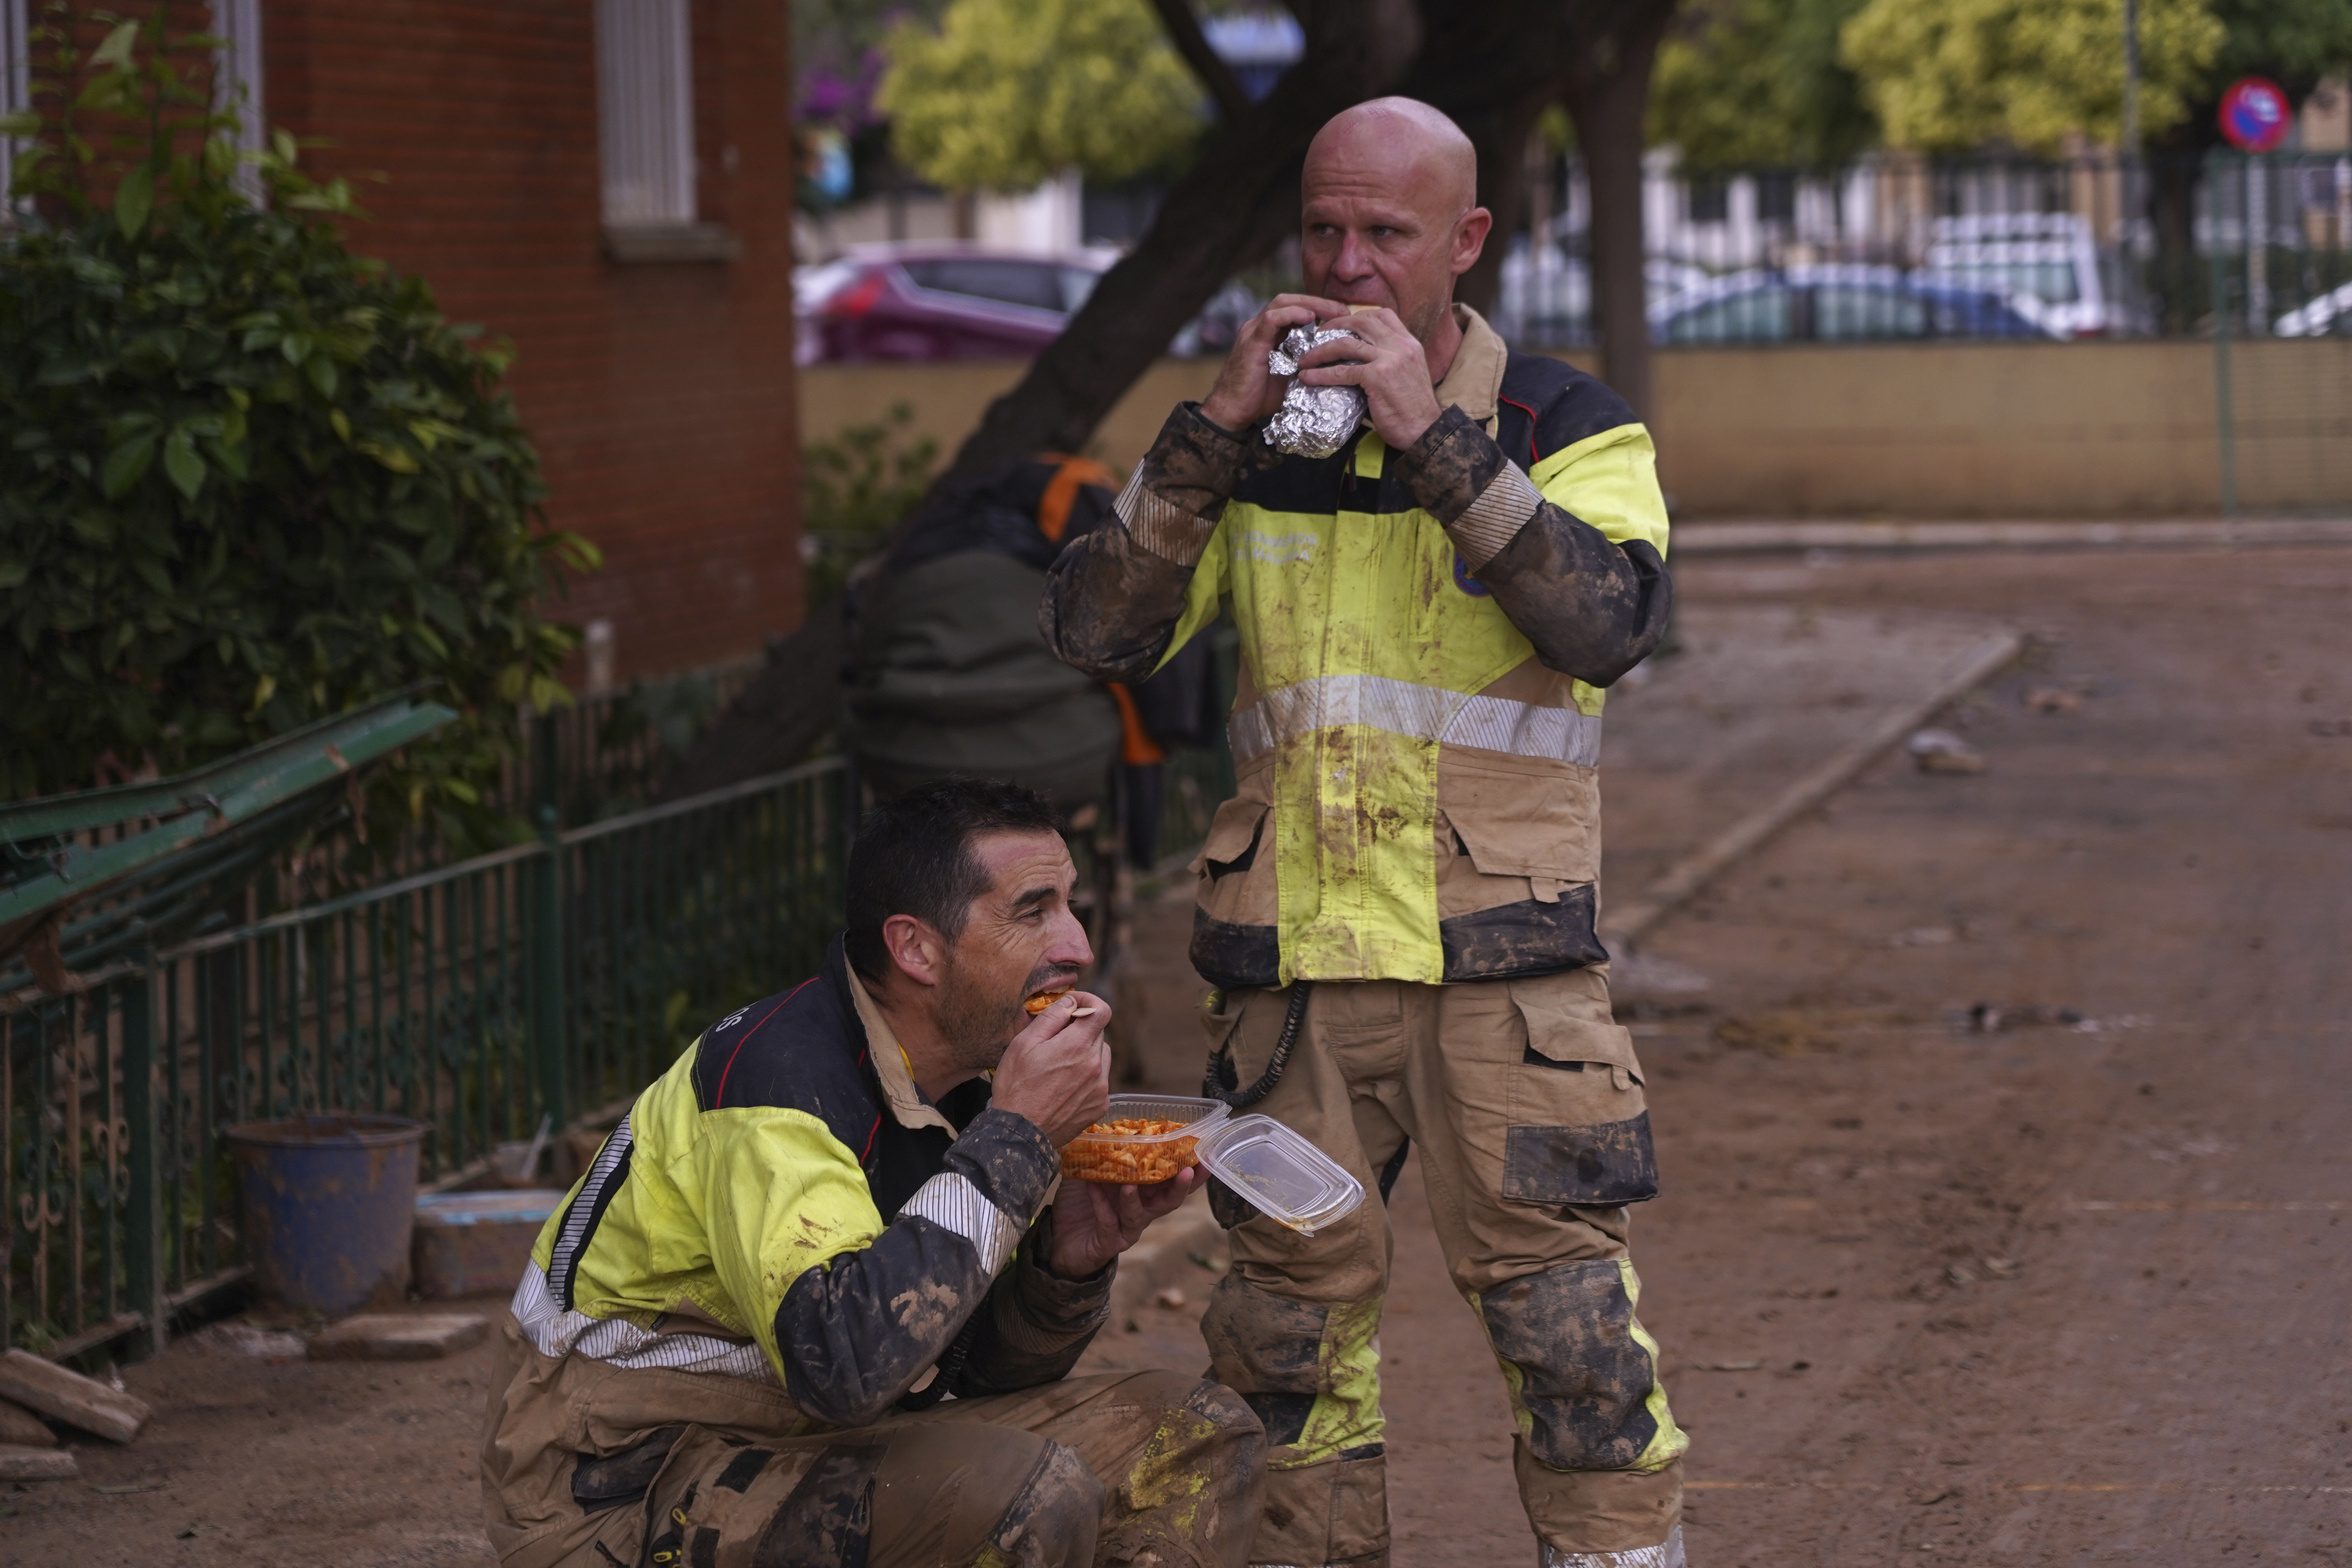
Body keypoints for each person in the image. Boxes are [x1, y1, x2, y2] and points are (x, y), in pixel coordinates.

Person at [1040, 99, 1687, 1568]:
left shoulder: (1568, 425)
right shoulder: (1254, 440)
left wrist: (1438, 442)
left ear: (1466, 242)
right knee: (1285, 1353)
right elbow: (1095, 635)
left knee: (1574, 1343)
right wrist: (1209, 435)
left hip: (1504, 982)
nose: (1345, 266)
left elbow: (1609, 626)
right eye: (1323, 230)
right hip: (1295, 990)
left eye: (1386, 233)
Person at [480, 778, 1268, 1568]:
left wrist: (1067, 1262)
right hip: (620, 1487)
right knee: (1025, 1492)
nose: (1079, 947)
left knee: (1195, 1433)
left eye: (1070, 903)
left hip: (808, 1439)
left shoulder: (966, 1082)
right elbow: (845, 1367)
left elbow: (970, 1370)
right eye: (1034, 912)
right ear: (916, 949)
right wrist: (1018, 1140)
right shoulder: (778, 1086)